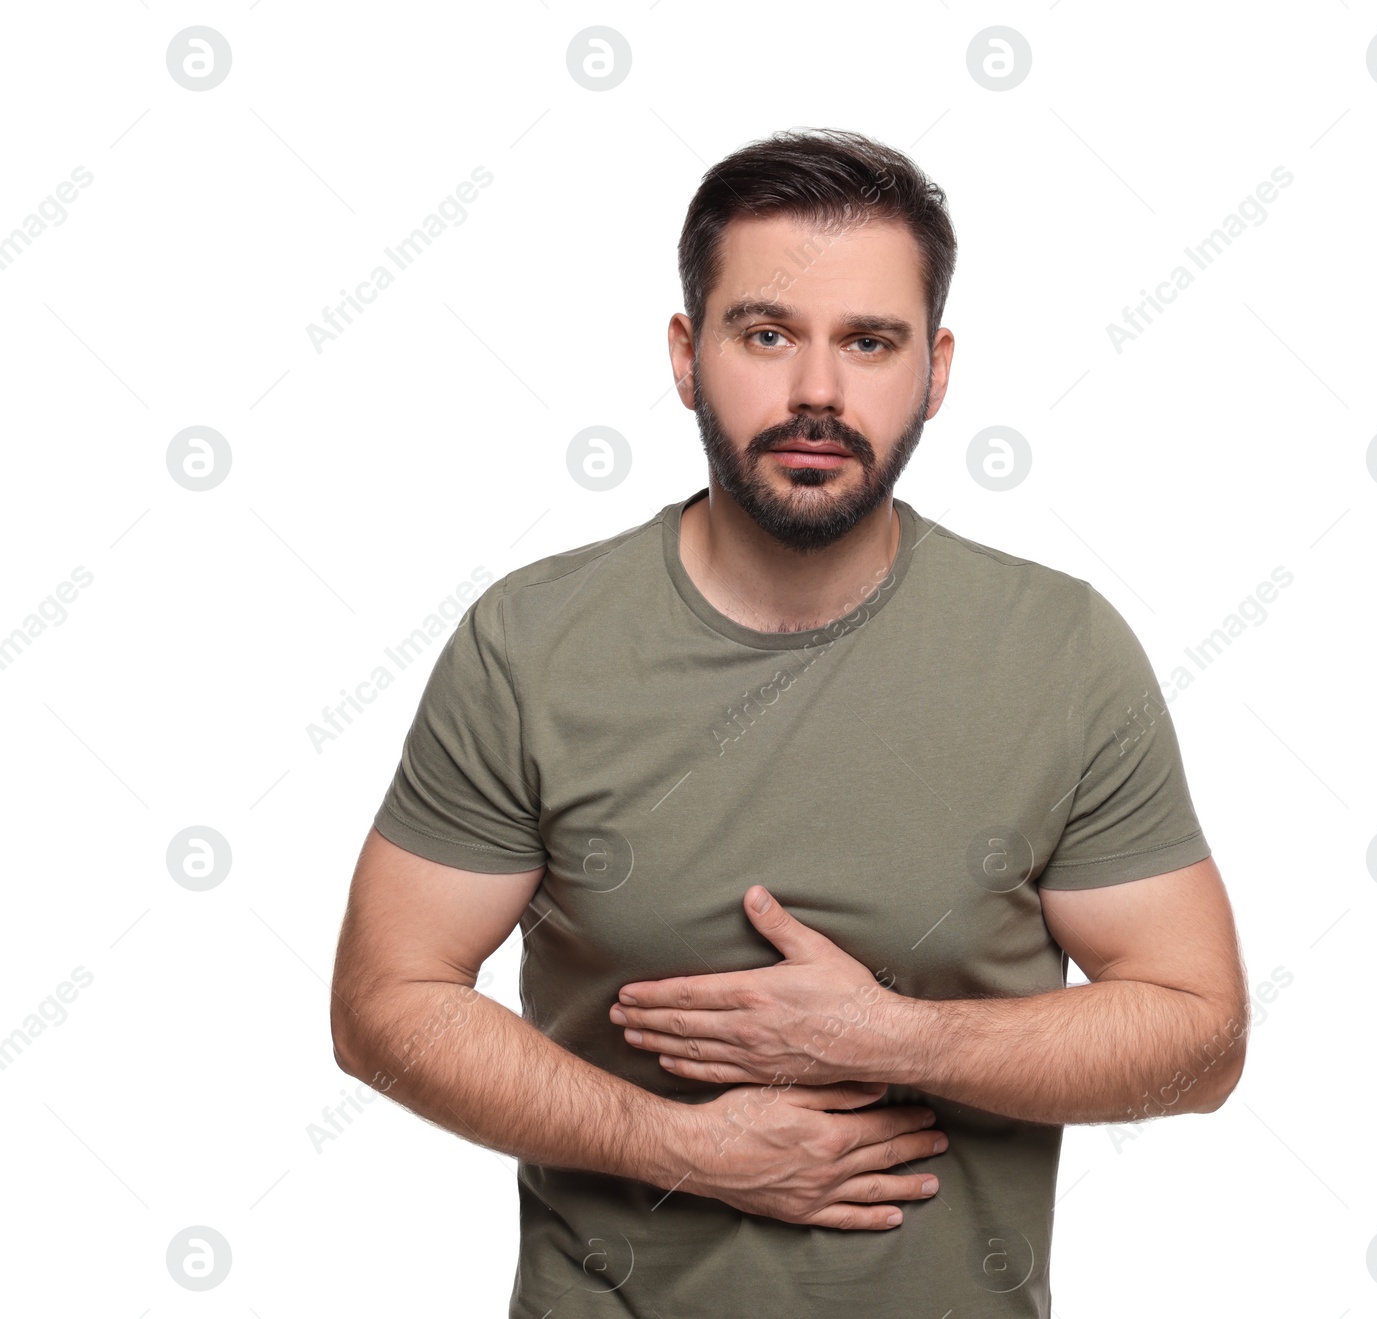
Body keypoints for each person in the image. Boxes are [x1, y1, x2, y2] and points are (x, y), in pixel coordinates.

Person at [330, 127, 1248, 1318]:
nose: (817, 389)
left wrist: (890, 1036)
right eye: (767, 334)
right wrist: (682, 1147)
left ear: (936, 369)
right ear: (685, 354)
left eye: (870, 342)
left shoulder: (1059, 651)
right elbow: (384, 1001)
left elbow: (1197, 1032)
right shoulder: (531, 643)